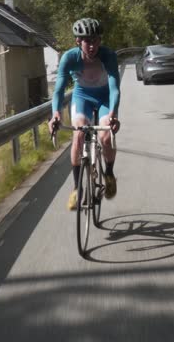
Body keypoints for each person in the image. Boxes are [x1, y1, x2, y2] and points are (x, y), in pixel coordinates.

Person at [49, 18, 121, 211]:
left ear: (100, 40)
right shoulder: (70, 58)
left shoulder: (108, 56)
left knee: (106, 137)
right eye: (87, 40)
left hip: (105, 97)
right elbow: (58, 91)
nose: (92, 45)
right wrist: (55, 114)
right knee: (78, 134)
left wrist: (113, 113)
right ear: (78, 42)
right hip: (82, 97)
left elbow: (114, 89)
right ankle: (77, 188)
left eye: (96, 40)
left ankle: (109, 174)